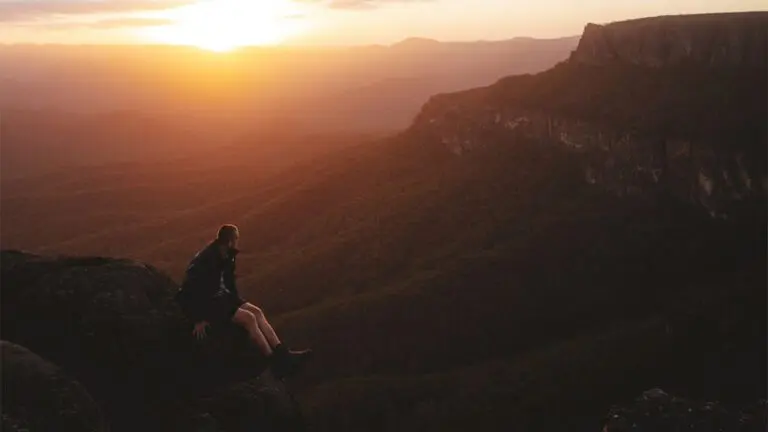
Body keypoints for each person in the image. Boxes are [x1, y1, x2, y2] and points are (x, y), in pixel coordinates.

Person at [175, 224, 312, 378]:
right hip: (210, 303)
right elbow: (188, 289)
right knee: (249, 319)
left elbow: (229, 282)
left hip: (222, 297)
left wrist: (238, 301)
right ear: (230, 241)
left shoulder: (227, 254)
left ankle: (284, 354)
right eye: (236, 239)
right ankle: (274, 362)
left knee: (257, 312)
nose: (238, 242)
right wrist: (198, 318)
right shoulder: (207, 258)